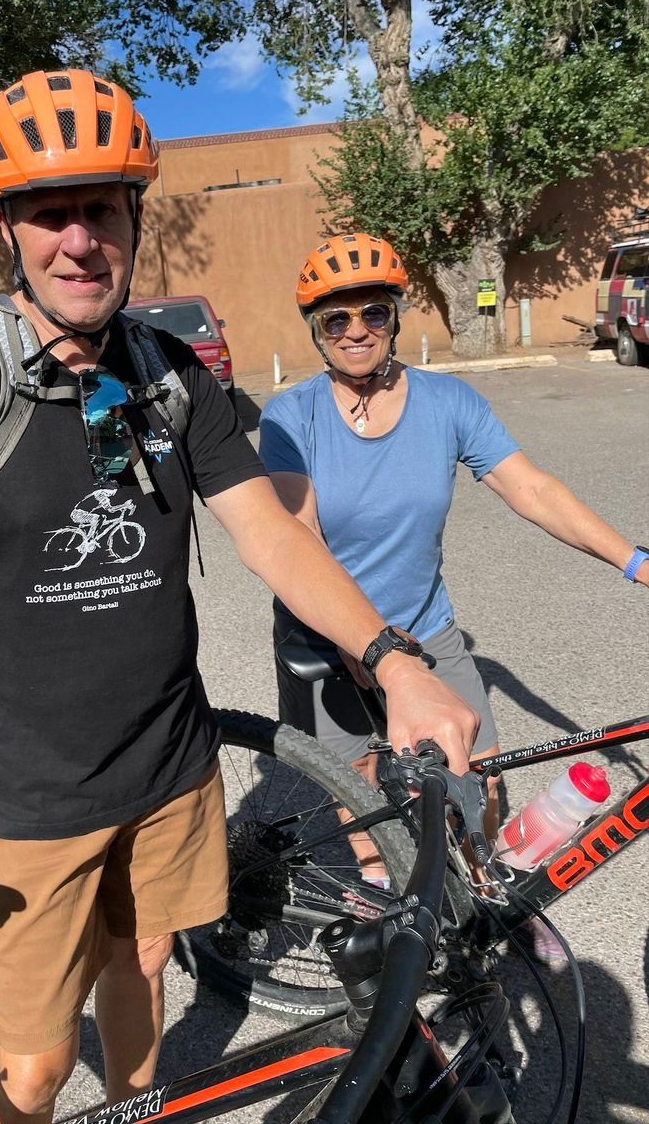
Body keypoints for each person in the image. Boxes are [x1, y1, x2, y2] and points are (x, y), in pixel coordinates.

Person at [0, 77, 478, 1124]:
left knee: (141, 965)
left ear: (136, 217)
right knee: (36, 1068)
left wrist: (394, 660)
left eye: (101, 207)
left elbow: (271, 531)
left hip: (173, 767)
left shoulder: (167, 372)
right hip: (33, 801)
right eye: (50, 212)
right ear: (6, 228)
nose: (80, 240)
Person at [259, 231, 649, 946]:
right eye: (335, 319)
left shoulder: (446, 401)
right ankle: (382, 898)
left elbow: (532, 489)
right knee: (361, 787)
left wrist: (636, 562)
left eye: (373, 313)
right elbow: (298, 536)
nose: (355, 331)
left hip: (424, 625)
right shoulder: (291, 416)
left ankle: (488, 895)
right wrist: (359, 648)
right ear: (315, 330)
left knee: (480, 778)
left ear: (395, 317)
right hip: (323, 631)